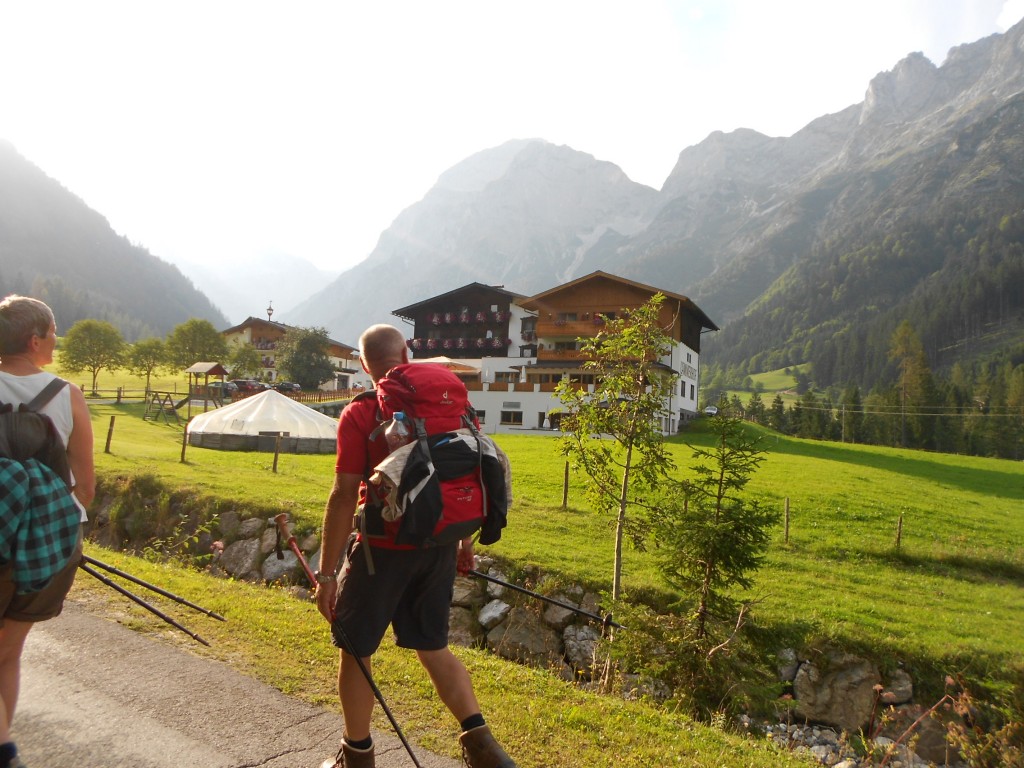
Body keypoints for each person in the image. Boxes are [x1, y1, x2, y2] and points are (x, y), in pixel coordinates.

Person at [315, 324, 515, 768]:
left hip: (380, 552)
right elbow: (462, 473)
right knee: (433, 647)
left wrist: (327, 576)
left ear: (364, 365)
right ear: (407, 353)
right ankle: (486, 751)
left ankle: (358, 756)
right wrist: (464, 541)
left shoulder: (363, 411)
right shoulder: (451, 403)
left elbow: (345, 494)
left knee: (357, 651)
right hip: (439, 545)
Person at [0, 295, 95, 768]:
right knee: (8, 653)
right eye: (54, 332)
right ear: (35, 339)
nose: (57, 340)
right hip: (51, 542)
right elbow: (88, 487)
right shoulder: (67, 394)